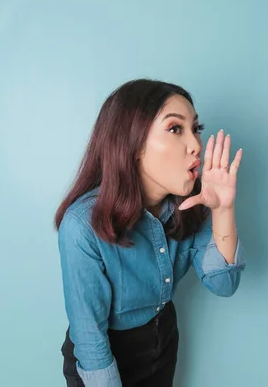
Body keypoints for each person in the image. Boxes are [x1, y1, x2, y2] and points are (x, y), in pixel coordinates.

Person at [54, 79, 246, 387]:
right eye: (175, 129)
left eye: (196, 128)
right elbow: (90, 341)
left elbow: (224, 284)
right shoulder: (82, 225)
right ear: (133, 143)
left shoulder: (194, 203)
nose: (196, 144)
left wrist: (223, 209)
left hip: (163, 340)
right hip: (102, 358)